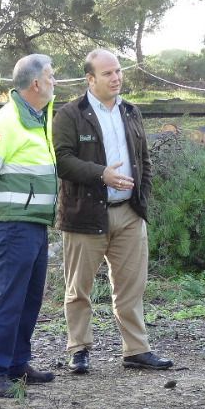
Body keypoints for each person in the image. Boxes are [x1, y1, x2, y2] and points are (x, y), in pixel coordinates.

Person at [52, 48, 172, 374]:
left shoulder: (131, 112)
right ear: (90, 79)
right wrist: (100, 173)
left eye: (118, 71)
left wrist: (141, 197)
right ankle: (79, 349)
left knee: (132, 286)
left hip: (128, 213)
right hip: (86, 214)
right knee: (79, 288)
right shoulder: (70, 114)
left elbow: (144, 160)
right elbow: (62, 161)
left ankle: (136, 350)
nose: (116, 77)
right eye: (107, 73)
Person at [0, 54, 60, 398]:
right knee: (9, 298)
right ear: (35, 83)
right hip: (13, 224)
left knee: (30, 297)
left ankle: (18, 363)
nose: (54, 82)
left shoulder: (38, 118)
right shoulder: (5, 122)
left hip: (35, 223)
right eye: (50, 77)